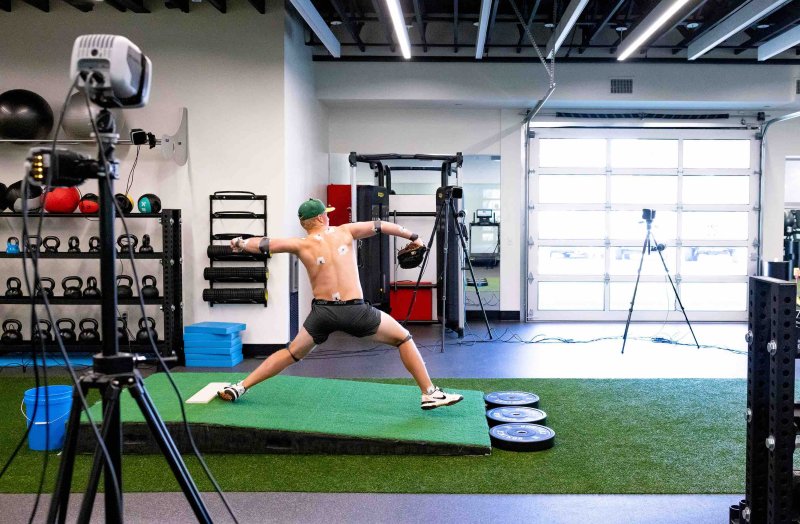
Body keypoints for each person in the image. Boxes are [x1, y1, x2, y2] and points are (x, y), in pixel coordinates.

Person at [217, 198, 463, 410]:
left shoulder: (300, 244)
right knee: (403, 338)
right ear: (322, 217)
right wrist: (415, 237)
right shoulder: (345, 231)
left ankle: (240, 387)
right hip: (355, 311)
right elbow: (381, 225)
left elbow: (262, 244)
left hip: (322, 314)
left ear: (304, 223)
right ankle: (430, 393)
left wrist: (239, 242)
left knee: (292, 352)